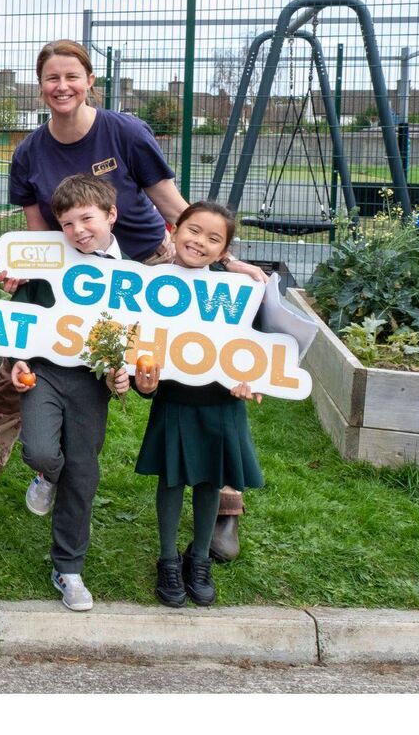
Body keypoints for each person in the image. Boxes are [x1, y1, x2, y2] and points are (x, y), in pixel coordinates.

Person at [0, 39, 267, 495]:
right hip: (75, 277)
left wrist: (224, 258)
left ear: (90, 82)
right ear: (40, 85)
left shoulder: (124, 132)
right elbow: (39, 236)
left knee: (204, 364)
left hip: (148, 267)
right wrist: (25, 271)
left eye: (72, 76)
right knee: (22, 355)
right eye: (52, 78)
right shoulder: (29, 153)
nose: (62, 86)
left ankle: (224, 497)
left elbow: (173, 204)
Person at [119, 201, 265, 607]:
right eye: (193, 230)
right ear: (175, 229)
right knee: (171, 477)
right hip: (175, 398)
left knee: (209, 479)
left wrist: (249, 378)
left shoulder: (236, 292)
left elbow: (254, 348)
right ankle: (168, 560)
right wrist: (143, 385)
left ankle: (198, 558)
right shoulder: (149, 283)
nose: (199, 242)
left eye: (213, 239)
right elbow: (136, 348)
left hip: (220, 402)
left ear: (223, 253)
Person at [7, 174, 130, 611]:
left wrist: (125, 371)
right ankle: (45, 476)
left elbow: (138, 333)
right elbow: (17, 312)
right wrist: (15, 358)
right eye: (67, 224)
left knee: (82, 471)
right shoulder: (46, 263)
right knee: (41, 451)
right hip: (43, 371)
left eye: (86, 219)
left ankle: (68, 568)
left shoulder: (131, 276)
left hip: (89, 381)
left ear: (111, 215)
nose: (78, 231)